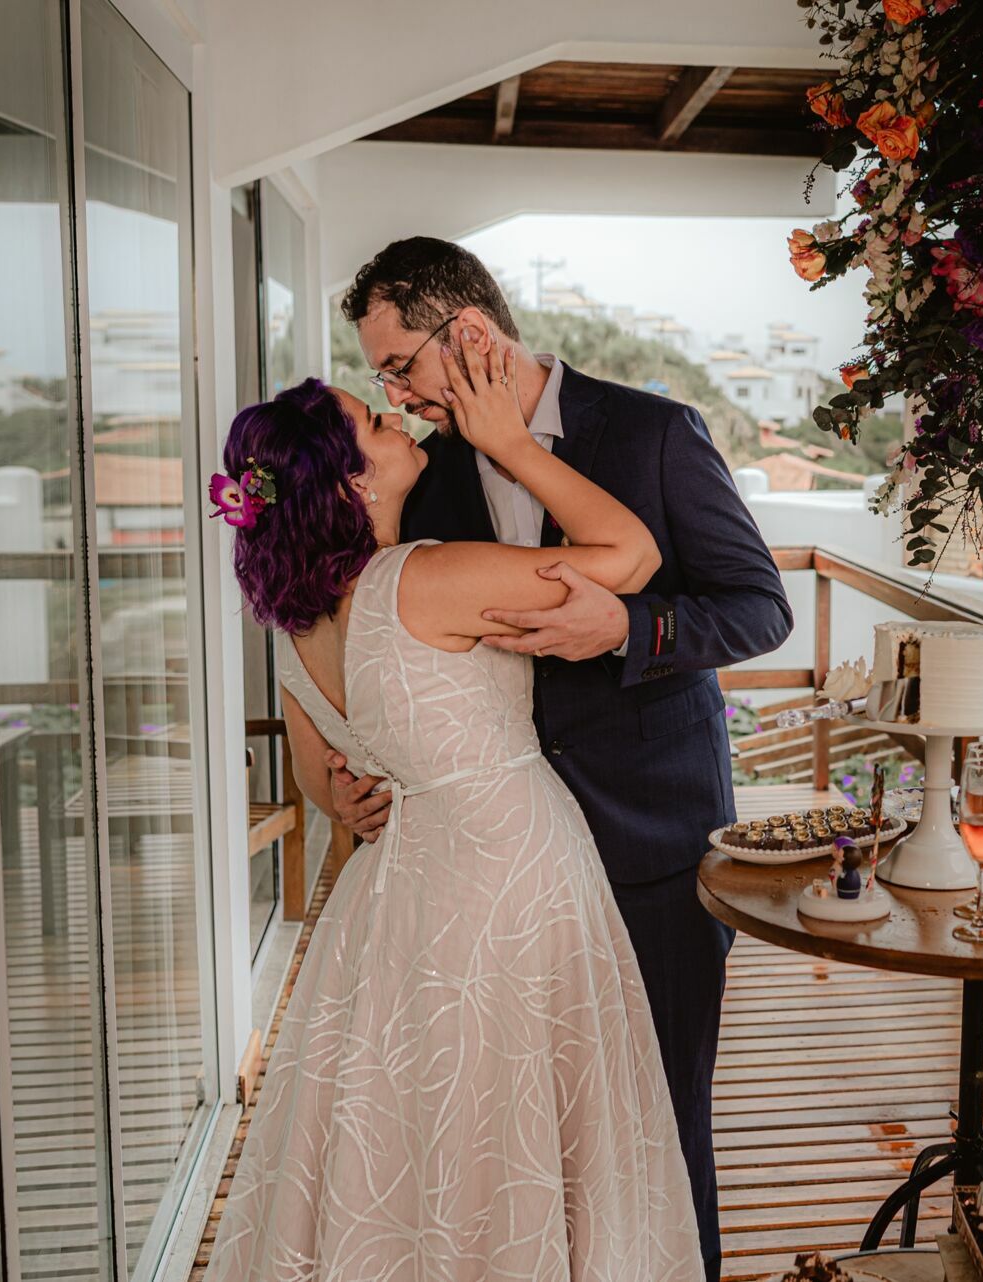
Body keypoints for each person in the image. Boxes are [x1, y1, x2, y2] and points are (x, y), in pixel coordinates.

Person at [320, 236, 792, 1279]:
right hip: (502, 877)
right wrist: (368, 776)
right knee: (531, 1146)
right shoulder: (424, 478)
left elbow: (759, 608)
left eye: (399, 364)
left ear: (471, 334)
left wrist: (626, 631)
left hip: (651, 847)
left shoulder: (656, 433)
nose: (392, 392)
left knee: (661, 1131)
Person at [204, 339, 702, 1280]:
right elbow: (631, 556)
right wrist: (512, 445)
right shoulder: (425, 578)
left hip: (395, 903)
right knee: (510, 1125)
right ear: (348, 483)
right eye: (373, 423)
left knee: (420, 1134)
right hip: (509, 883)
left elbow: (325, 781)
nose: (397, 420)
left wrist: (350, 795)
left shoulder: (296, 623)